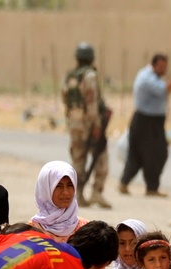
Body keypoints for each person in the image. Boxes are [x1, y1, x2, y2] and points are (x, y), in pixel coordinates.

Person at [118, 53, 171, 197]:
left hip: (152, 122)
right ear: (154, 65)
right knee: (153, 154)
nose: (163, 70)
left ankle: (147, 186)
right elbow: (165, 90)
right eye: (161, 67)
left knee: (149, 155)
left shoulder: (150, 75)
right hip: (146, 122)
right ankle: (140, 186)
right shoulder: (147, 78)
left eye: (165, 67)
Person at [62, 43, 112, 208]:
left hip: (74, 123)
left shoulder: (70, 76)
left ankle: (77, 195)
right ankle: (96, 192)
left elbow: (65, 98)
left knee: (78, 160)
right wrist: (96, 124)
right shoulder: (89, 76)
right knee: (101, 157)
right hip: (89, 124)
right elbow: (91, 102)